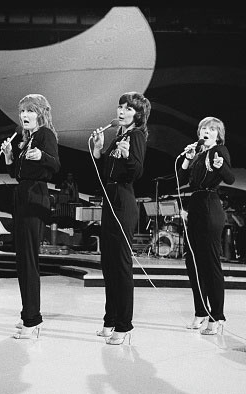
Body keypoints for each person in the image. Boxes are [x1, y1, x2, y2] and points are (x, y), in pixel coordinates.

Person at [90, 92, 151, 345]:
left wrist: (127, 156)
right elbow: (106, 172)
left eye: (128, 109)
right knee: (108, 264)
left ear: (138, 114)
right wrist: (98, 151)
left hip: (124, 201)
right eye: (120, 107)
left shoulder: (136, 136)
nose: (121, 111)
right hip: (110, 198)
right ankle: (110, 319)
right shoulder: (119, 136)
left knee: (121, 265)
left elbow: (137, 171)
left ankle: (124, 325)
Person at [0, 94, 60, 339]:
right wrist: (9, 156)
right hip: (23, 197)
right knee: (22, 261)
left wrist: (42, 157)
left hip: (35, 198)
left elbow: (55, 165)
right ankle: (28, 314)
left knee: (29, 262)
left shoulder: (45, 135)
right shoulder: (28, 139)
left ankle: (33, 320)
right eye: (22, 111)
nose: (24, 116)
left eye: (30, 111)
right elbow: (17, 173)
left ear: (41, 114)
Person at [177, 116, 235, 335]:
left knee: (210, 264)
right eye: (204, 128)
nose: (207, 131)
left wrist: (220, 167)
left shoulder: (220, 151)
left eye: (212, 129)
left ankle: (217, 316)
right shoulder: (199, 154)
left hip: (210, 207)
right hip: (196, 207)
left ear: (218, 134)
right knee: (192, 262)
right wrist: (187, 159)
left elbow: (231, 179)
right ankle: (200, 311)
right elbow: (180, 178)